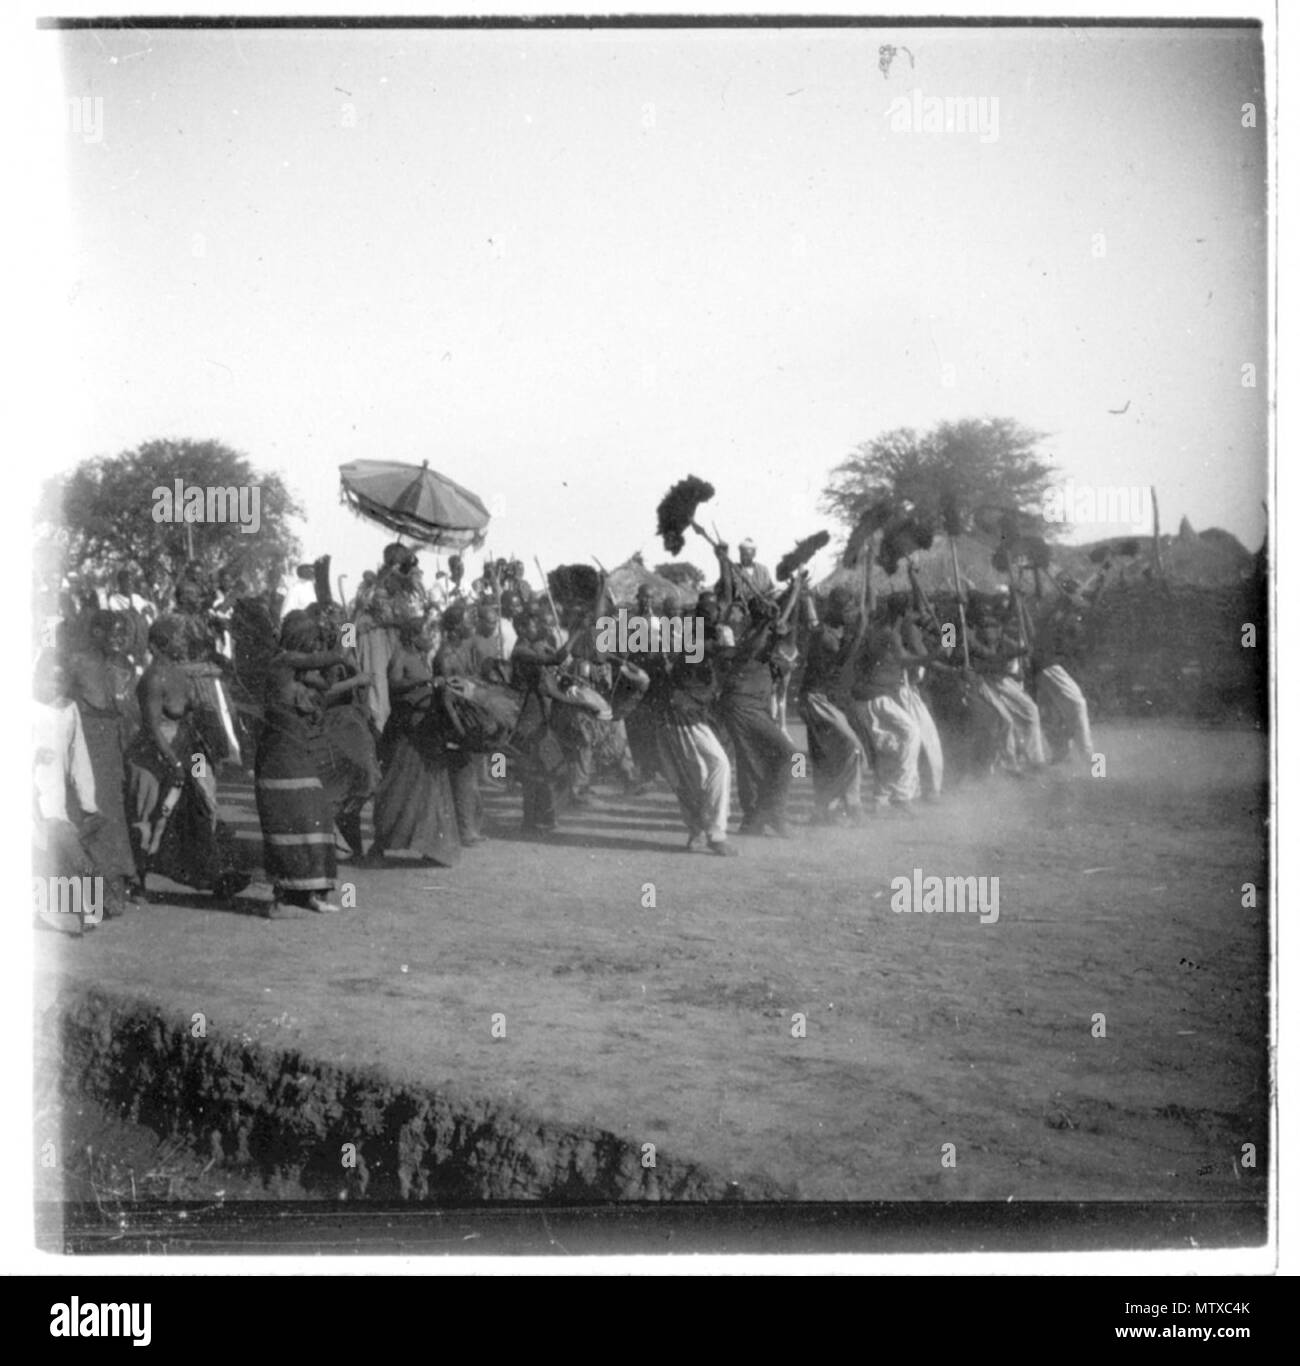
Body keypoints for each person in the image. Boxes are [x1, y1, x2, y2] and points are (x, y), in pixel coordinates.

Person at [124, 617, 249, 900]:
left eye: (181, 637)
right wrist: (176, 764)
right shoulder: (154, 678)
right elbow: (153, 728)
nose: (181, 642)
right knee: (151, 813)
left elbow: (188, 712)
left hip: (186, 746)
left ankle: (212, 873)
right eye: (174, 638)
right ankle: (138, 881)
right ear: (156, 645)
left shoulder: (179, 673)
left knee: (203, 801)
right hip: (158, 752)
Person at [254, 613, 344, 915]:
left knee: (313, 814)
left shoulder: (297, 670)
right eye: (312, 641)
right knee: (290, 818)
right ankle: (285, 895)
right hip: (279, 754)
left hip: (295, 751)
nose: (315, 646)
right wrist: (346, 634)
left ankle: (310, 894)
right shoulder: (283, 662)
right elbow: (331, 657)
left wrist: (337, 646)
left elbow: (327, 684)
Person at [642, 592, 737, 856]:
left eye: (715, 613)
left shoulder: (700, 640)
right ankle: (713, 833)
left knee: (697, 776)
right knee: (715, 767)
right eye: (707, 613)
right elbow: (705, 653)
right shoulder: (692, 641)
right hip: (682, 716)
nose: (713, 618)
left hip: (686, 716)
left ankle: (698, 831)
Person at [33, 652, 123, 928]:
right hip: (30, 796)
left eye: (62, 681)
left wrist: (88, 801)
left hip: (54, 798)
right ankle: (90, 908)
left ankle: (93, 907)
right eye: (50, 679)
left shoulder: (69, 709)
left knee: (66, 849)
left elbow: (79, 757)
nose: (55, 686)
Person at [714, 549, 798, 837]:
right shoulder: (743, 636)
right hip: (742, 706)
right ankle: (768, 814)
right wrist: (768, 623)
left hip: (756, 706)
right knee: (781, 755)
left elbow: (781, 635)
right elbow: (757, 643)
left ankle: (758, 816)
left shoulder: (763, 635)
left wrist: (795, 591)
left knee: (760, 760)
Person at [369, 619, 462, 866]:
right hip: (406, 733)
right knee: (397, 787)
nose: (431, 637)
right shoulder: (400, 655)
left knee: (431, 790)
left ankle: (431, 847)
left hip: (425, 731)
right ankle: (381, 844)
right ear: (412, 636)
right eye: (426, 633)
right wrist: (425, 683)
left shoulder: (423, 658)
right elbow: (394, 684)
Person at [63, 610, 139, 909]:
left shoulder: (123, 665)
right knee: (89, 809)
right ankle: (94, 892)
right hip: (86, 743)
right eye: (114, 632)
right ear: (96, 632)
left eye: (124, 632)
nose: (121, 638)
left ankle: (115, 886)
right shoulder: (76, 662)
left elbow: (129, 712)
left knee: (113, 814)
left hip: (112, 746)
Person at [845, 595, 928, 814]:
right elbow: (911, 656)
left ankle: (882, 797)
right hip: (885, 695)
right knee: (913, 734)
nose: (918, 615)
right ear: (904, 613)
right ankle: (903, 793)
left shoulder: (893, 628)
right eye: (912, 612)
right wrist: (937, 654)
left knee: (893, 745)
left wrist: (947, 635)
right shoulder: (892, 632)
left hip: (887, 693)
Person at [799, 587, 866, 824]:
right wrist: (859, 631)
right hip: (816, 699)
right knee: (846, 748)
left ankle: (842, 804)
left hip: (833, 699)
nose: (853, 613)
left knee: (844, 751)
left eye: (854, 608)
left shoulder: (837, 630)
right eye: (848, 609)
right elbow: (841, 658)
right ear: (837, 610)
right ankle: (831, 806)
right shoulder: (824, 634)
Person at [1032, 591, 1095, 763]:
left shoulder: (1068, 620)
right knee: (1076, 705)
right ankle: (1091, 761)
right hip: (1046, 664)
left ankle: (1061, 756)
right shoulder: (1054, 615)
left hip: (1056, 665)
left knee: (1056, 712)